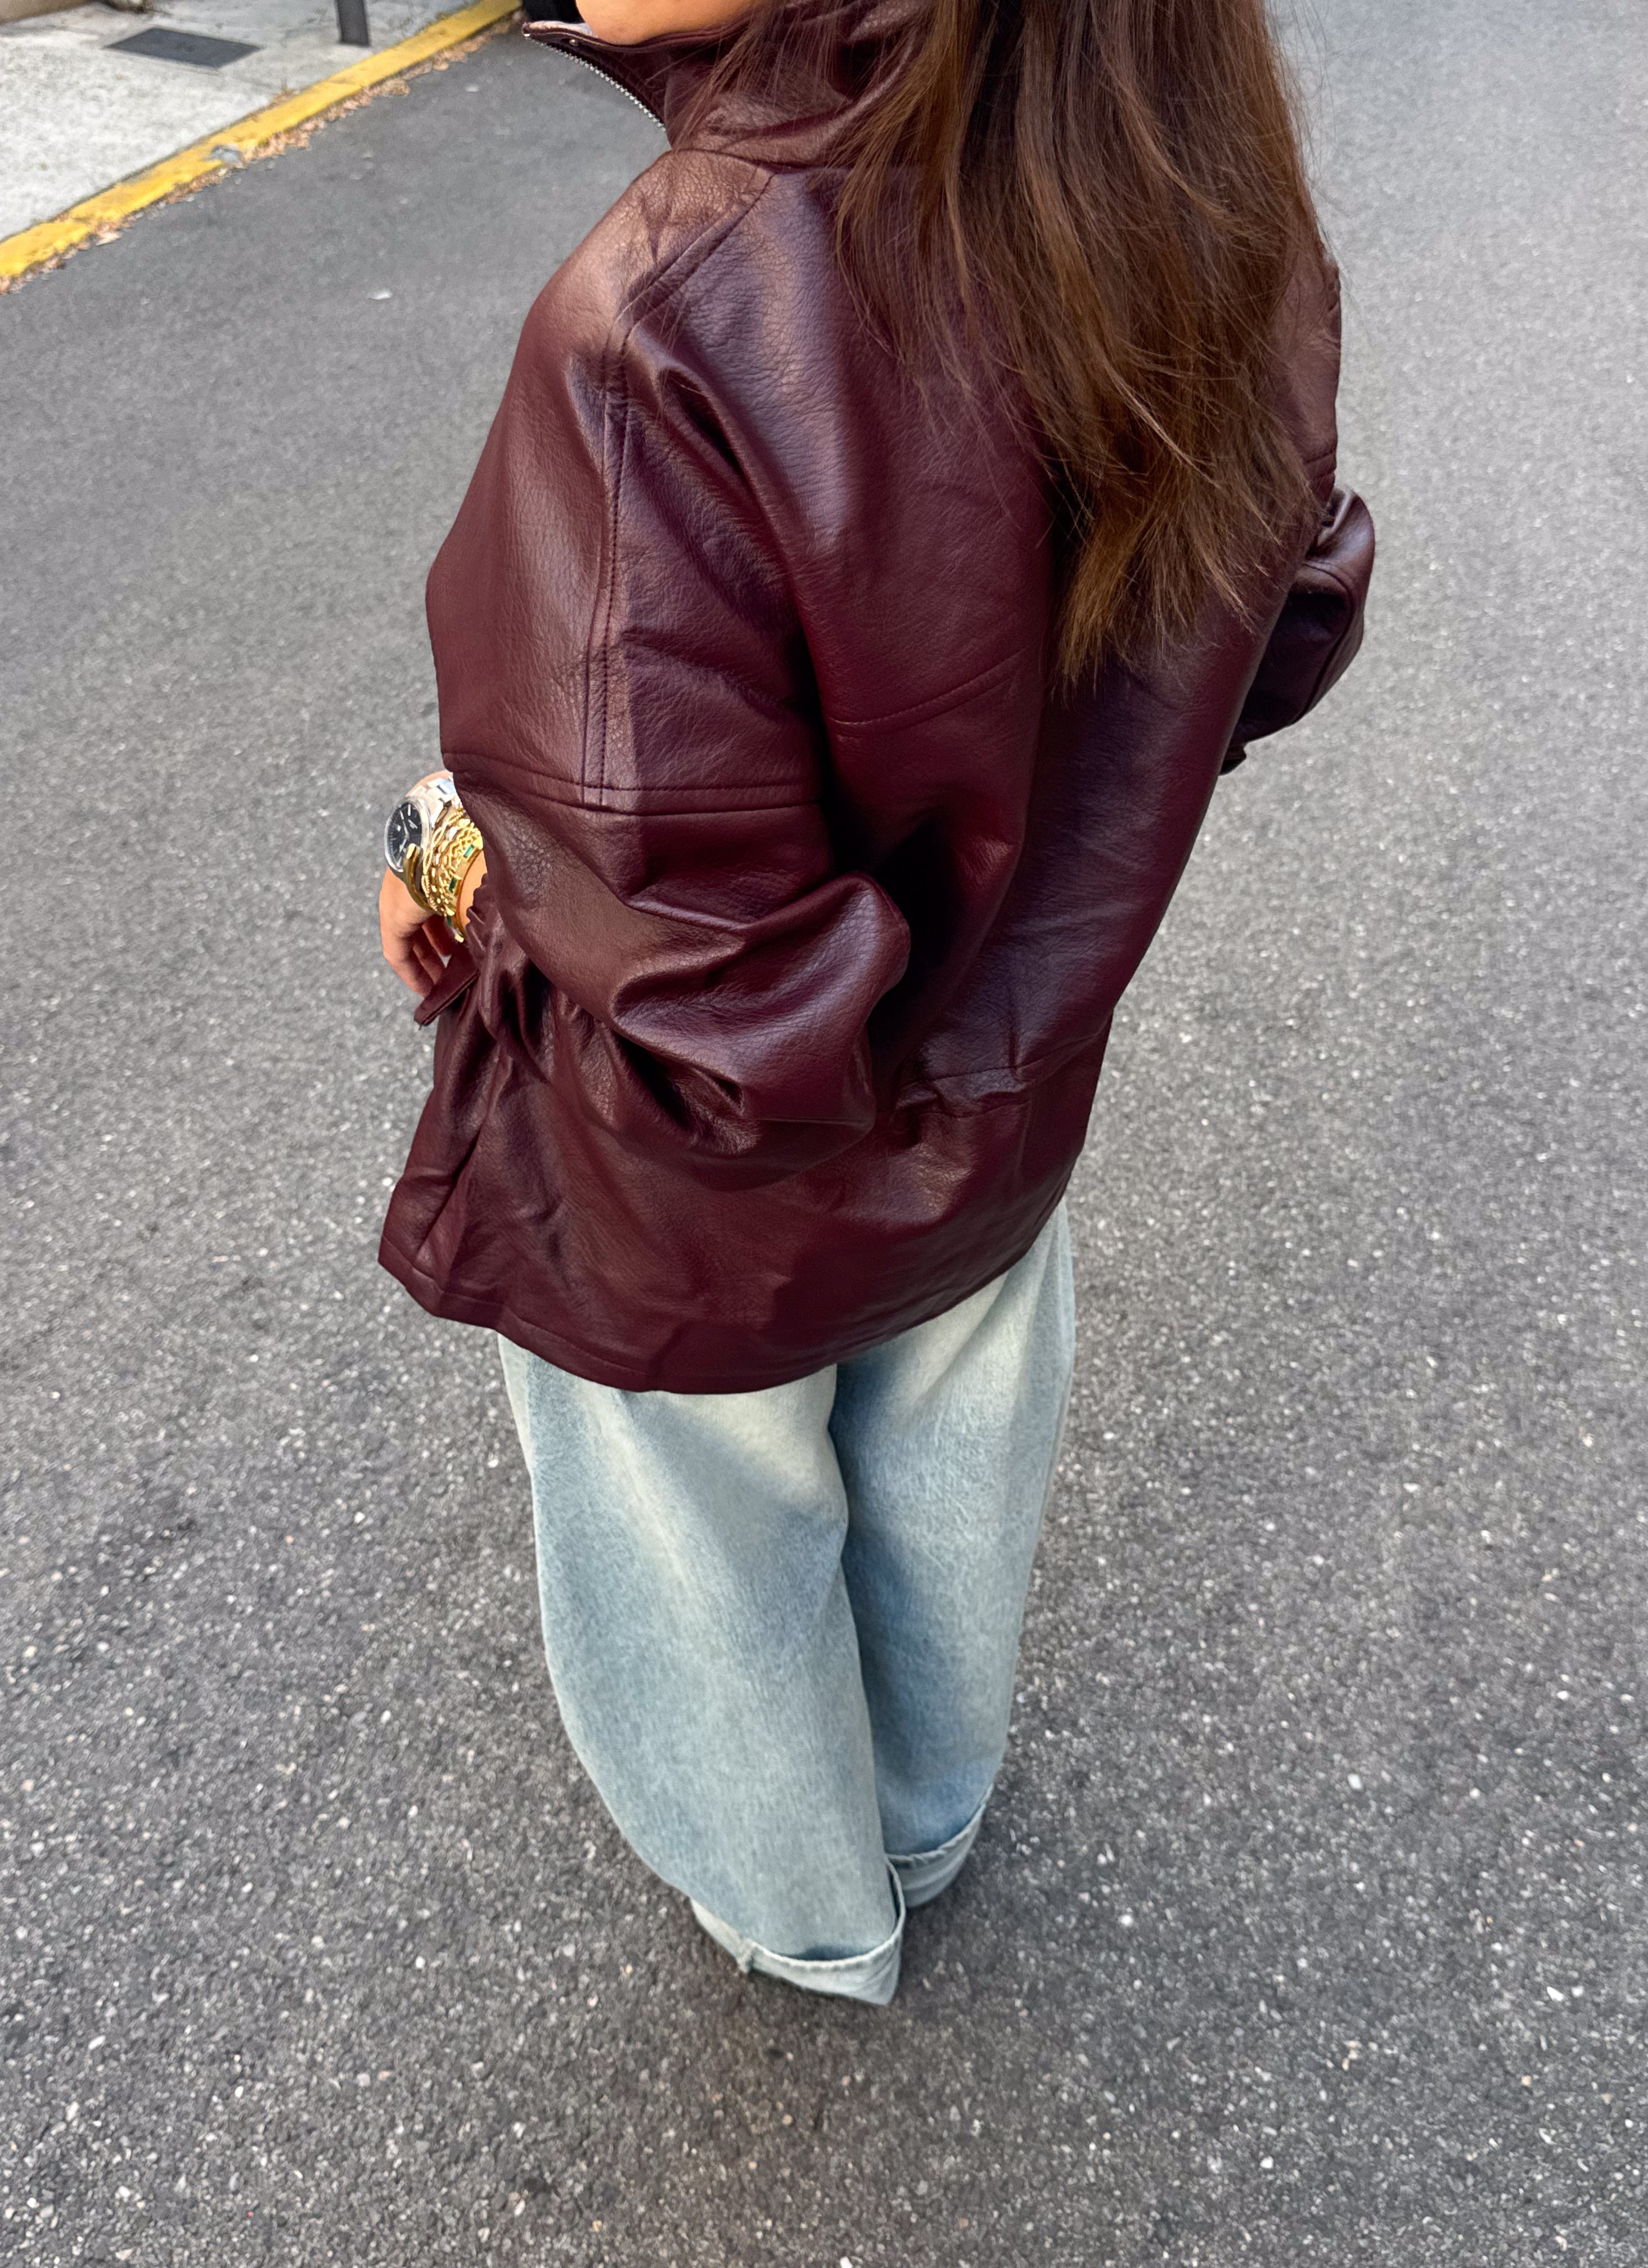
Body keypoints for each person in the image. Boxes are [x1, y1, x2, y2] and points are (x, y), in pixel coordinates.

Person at [376, 0, 1373, 2006]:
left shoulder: (664, 327)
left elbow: (701, 991)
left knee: (714, 1547)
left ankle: (809, 1908)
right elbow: (1284, 617)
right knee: (943, 1467)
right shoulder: (1189, 205)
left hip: (703, 1203)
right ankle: (924, 1813)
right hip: (1016, 1088)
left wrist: (451, 860)